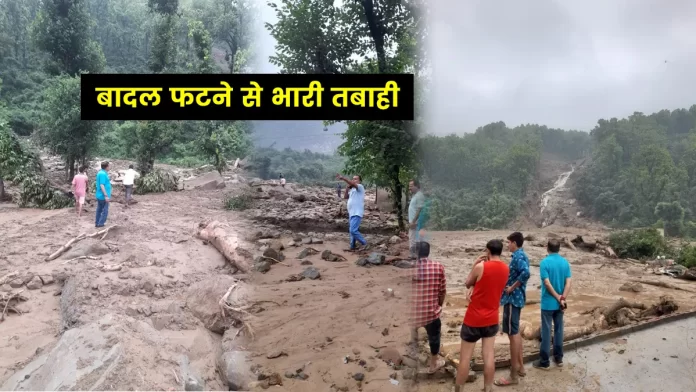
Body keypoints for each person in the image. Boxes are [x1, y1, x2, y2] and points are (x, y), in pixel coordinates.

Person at [454, 239, 510, 392]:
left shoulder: (480, 266)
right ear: (501, 251)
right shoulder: (506, 269)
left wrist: (475, 264)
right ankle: (488, 388)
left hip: (473, 319)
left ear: (487, 250)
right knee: (489, 356)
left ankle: (459, 389)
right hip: (491, 319)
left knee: (464, 359)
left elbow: (467, 282)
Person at [495, 232, 531, 387]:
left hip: (512, 299)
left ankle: (513, 374)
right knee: (515, 333)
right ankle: (521, 367)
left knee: (513, 334)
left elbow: (526, 273)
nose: (507, 245)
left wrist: (512, 287)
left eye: (509, 242)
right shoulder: (520, 255)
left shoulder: (518, 257)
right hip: (516, 299)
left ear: (515, 243)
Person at [533, 239, 572, 370]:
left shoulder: (544, 263)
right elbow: (568, 283)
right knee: (559, 330)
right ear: (559, 248)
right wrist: (563, 298)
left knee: (546, 331)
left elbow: (547, 283)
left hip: (548, 303)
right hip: (561, 303)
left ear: (547, 248)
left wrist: (557, 297)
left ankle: (544, 361)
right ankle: (559, 358)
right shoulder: (565, 262)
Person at [409, 241, 446, 374]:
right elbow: (442, 291)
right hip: (431, 313)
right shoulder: (438, 266)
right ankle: (433, 365)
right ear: (428, 252)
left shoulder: (409, 268)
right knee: (434, 337)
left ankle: (412, 359)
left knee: (411, 334)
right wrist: (438, 307)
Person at [336, 173, 367, 251]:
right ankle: (352, 246)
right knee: (351, 231)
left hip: (357, 212)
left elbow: (352, 184)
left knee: (353, 230)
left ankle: (364, 243)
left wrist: (343, 178)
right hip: (351, 213)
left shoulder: (360, 187)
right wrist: (347, 188)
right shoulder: (353, 190)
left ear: (360, 181)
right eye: (353, 179)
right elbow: (345, 197)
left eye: (356, 179)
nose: (354, 180)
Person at [408, 179, 426, 259]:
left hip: (416, 222)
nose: (409, 188)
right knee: (413, 237)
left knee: (414, 238)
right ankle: (414, 255)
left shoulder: (419, 196)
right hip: (413, 221)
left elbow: (419, 210)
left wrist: (414, 221)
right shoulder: (415, 195)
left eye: (411, 186)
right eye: (409, 186)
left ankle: (415, 255)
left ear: (417, 186)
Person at [95, 161, 112, 228]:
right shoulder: (102, 174)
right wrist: (106, 195)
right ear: (106, 167)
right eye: (109, 166)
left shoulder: (101, 173)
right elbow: (102, 185)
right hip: (103, 196)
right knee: (105, 210)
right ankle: (101, 223)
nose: (109, 167)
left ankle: (97, 223)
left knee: (99, 209)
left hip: (100, 195)